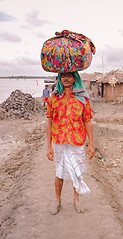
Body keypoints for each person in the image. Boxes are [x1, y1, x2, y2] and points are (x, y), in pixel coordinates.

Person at [46, 72, 95, 215]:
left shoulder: (83, 100)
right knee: (59, 173)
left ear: (75, 79)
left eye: (69, 76)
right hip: (60, 142)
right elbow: (49, 123)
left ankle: (77, 200)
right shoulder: (53, 99)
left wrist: (91, 144)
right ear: (60, 79)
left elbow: (87, 121)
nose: (66, 78)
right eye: (63, 76)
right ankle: (58, 201)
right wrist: (49, 146)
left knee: (77, 172)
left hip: (77, 141)